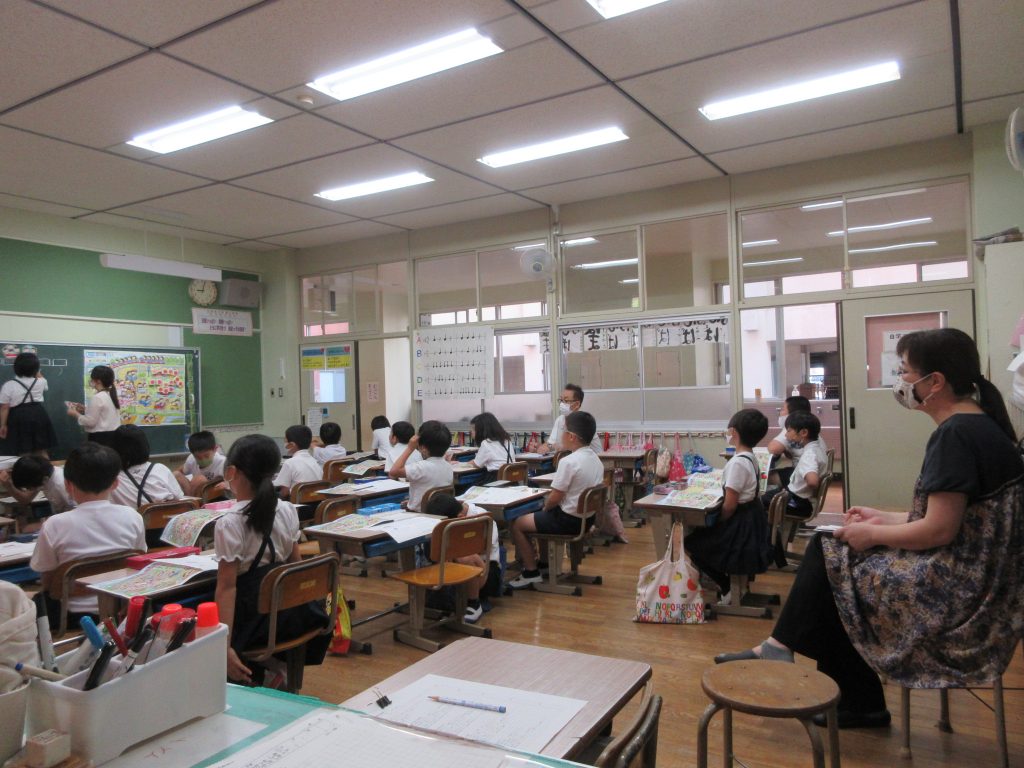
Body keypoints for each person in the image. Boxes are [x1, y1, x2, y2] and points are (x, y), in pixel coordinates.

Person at [716, 328, 1024, 730]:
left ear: (935, 382)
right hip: (980, 580)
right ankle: (814, 670)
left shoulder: (957, 434)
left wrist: (874, 534)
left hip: (957, 588)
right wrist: (883, 518)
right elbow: (955, 518)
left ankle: (827, 679)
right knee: (832, 554)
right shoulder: (982, 426)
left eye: (905, 371)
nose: (900, 381)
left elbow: (938, 531)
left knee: (833, 566)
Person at [213, 434, 329, 686]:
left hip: (256, 619)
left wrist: (222, 646)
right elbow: (295, 566)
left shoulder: (230, 522)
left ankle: (264, 673)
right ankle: (274, 668)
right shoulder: (286, 509)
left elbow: (227, 588)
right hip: (289, 613)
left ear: (231, 472)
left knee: (200, 614)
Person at [29, 443, 145, 627]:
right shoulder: (133, 517)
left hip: (70, 617)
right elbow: (137, 563)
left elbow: (48, 582)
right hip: (121, 610)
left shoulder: (53, 525)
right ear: (116, 483)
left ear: (68, 485)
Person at [685, 409, 772, 603]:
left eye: (728, 430)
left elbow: (730, 506)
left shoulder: (737, 463)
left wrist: (717, 522)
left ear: (734, 432)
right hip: (751, 519)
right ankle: (737, 588)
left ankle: (726, 587)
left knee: (691, 543)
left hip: (740, 525)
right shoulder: (750, 457)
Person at [509, 410, 604, 588]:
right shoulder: (596, 460)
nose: (561, 435)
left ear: (571, 437)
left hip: (567, 521)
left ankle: (531, 572)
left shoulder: (569, 462)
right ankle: (544, 564)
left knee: (517, 524)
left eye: (563, 431)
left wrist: (545, 507)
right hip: (586, 519)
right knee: (541, 516)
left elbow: (555, 497)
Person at [424, 492, 501, 624]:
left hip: (486, 570)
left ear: (460, 517)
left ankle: (474, 603)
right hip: (455, 565)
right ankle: (447, 600)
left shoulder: (483, 518)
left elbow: (482, 549)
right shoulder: (450, 511)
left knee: (465, 556)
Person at [762, 411, 827, 519]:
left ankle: (769, 529)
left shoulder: (809, 455)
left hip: (798, 502)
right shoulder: (818, 449)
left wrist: (805, 487)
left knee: (758, 502)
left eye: (789, 431)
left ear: (804, 432)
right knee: (768, 496)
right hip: (802, 500)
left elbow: (812, 481)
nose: (786, 435)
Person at [109, 425, 184, 512]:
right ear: (144, 445)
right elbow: (178, 497)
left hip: (129, 520)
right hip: (163, 520)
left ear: (114, 448)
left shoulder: (111, 478)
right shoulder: (160, 469)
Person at [0, 352, 57, 456]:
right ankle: (46, 467)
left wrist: (3, 425)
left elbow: (5, 407)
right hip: (39, 414)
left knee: (23, 450)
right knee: (41, 449)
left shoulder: (9, 385)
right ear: (36, 368)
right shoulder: (41, 382)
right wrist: (36, 370)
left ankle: (25, 466)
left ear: (16, 367)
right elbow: (42, 380)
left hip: (18, 416)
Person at [389, 420, 453, 512]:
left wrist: (410, 448)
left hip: (418, 514)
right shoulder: (448, 467)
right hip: (438, 512)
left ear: (423, 448)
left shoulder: (420, 467)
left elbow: (393, 472)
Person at [766, 395, 820, 488]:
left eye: (783, 409)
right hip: (808, 471)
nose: (780, 413)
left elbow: (773, 449)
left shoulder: (794, 428)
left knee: (764, 477)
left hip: (802, 476)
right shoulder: (810, 427)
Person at [67, 365, 121, 447]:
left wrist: (75, 413)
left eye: (92, 379)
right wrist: (86, 409)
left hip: (100, 439)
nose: (91, 381)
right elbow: (104, 414)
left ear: (98, 381)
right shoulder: (110, 394)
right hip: (113, 437)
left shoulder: (98, 397)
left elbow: (90, 422)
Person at [0, 455, 74, 514]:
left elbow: (78, 513)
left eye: (29, 487)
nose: (28, 490)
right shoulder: (42, 474)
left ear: (44, 479)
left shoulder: (61, 483)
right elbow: (25, 499)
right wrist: (8, 485)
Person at [461, 412, 515, 483]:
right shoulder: (507, 440)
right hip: (511, 479)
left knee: (466, 486)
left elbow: (477, 464)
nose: (471, 431)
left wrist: (461, 464)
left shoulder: (486, 443)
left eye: (473, 429)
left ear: (481, 430)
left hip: (495, 480)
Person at [273, 425, 321, 500]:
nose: (285, 444)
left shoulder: (289, 463)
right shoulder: (315, 462)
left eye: (285, 441)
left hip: (297, 503)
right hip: (315, 502)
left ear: (292, 445)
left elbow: (284, 492)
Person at [173, 430, 227, 496]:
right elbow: (179, 471)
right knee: (176, 474)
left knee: (200, 479)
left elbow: (231, 482)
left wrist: (225, 484)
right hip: (194, 492)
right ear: (193, 454)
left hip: (213, 493)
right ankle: (191, 499)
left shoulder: (223, 462)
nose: (203, 459)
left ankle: (192, 500)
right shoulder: (191, 459)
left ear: (215, 449)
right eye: (198, 457)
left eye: (206, 456)